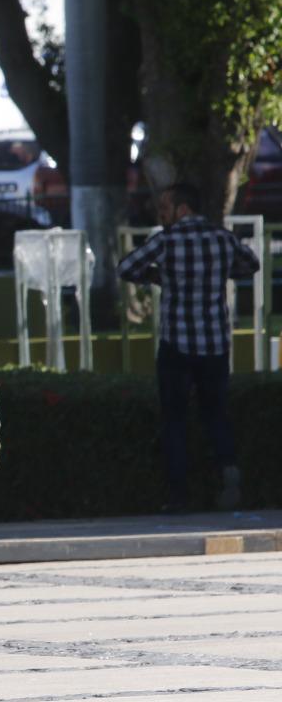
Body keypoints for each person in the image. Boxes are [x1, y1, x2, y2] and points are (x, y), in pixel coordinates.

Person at [118, 182, 259, 512]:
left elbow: (126, 267)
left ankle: (180, 496)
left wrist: (156, 277)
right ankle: (227, 468)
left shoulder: (167, 240)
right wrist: (223, 272)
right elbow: (250, 264)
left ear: (183, 209)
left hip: (176, 346)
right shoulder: (223, 239)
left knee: (175, 420)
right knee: (216, 415)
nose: (161, 213)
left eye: (166, 207)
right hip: (215, 344)